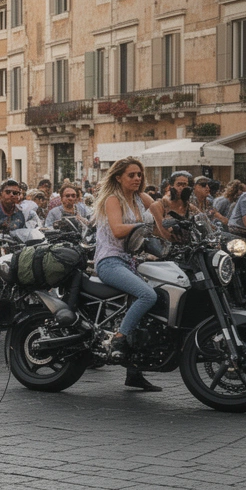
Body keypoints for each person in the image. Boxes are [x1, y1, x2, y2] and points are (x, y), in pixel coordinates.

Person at [92, 157, 162, 391]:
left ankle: (134, 372)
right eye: (131, 175)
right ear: (119, 177)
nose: (137, 179)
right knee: (147, 296)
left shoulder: (141, 199)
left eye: (139, 175)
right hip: (110, 261)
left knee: (150, 313)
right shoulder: (113, 199)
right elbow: (118, 230)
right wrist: (144, 227)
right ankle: (119, 338)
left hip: (132, 262)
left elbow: (162, 212)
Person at [151, 170, 199, 240]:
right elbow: (165, 233)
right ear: (171, 186)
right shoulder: (159, 205)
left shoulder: (190, 207)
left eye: (184, 185)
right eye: (178, 185)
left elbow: (203, 219)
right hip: (163, 246)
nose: (181, 188)